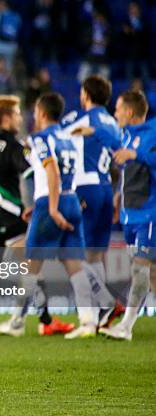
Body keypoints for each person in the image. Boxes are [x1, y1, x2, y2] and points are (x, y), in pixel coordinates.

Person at [0, 95, 73, 337]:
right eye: (16, 113)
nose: (21, 118)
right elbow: (33, 173)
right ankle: (45, 321)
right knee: (31, 264)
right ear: (6, 118)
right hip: (9, 214)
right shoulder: (15, 146)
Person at [23, 92, 97, 339]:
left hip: (51, 202)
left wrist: (51, 207)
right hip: (71, 199)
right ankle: (88, 322)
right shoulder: (68, 137)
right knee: (74, 264)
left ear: (42, 113)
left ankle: (15, 322)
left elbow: (51, 171)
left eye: (35, 111)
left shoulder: (39, 138)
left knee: (31, 265)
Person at [59, 75, 125, 329]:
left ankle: (96, 311)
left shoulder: (81, 119)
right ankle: (100, 316)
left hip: (83, 188)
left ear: (85, 94)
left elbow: (56, 137)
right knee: (95, 255)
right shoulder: (112, 121)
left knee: (73, 252)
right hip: (105, 189)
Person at [101, 91, 155, 340]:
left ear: (130, 112)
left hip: (149, 214)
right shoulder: (125, 135)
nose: (115, 113)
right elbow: (127, 174)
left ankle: (126, 326)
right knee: (151, 273)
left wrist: (137, 155)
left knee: (140, 269)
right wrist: (116, 196)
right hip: (129, 214)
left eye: (118, 109)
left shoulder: (152, 131)